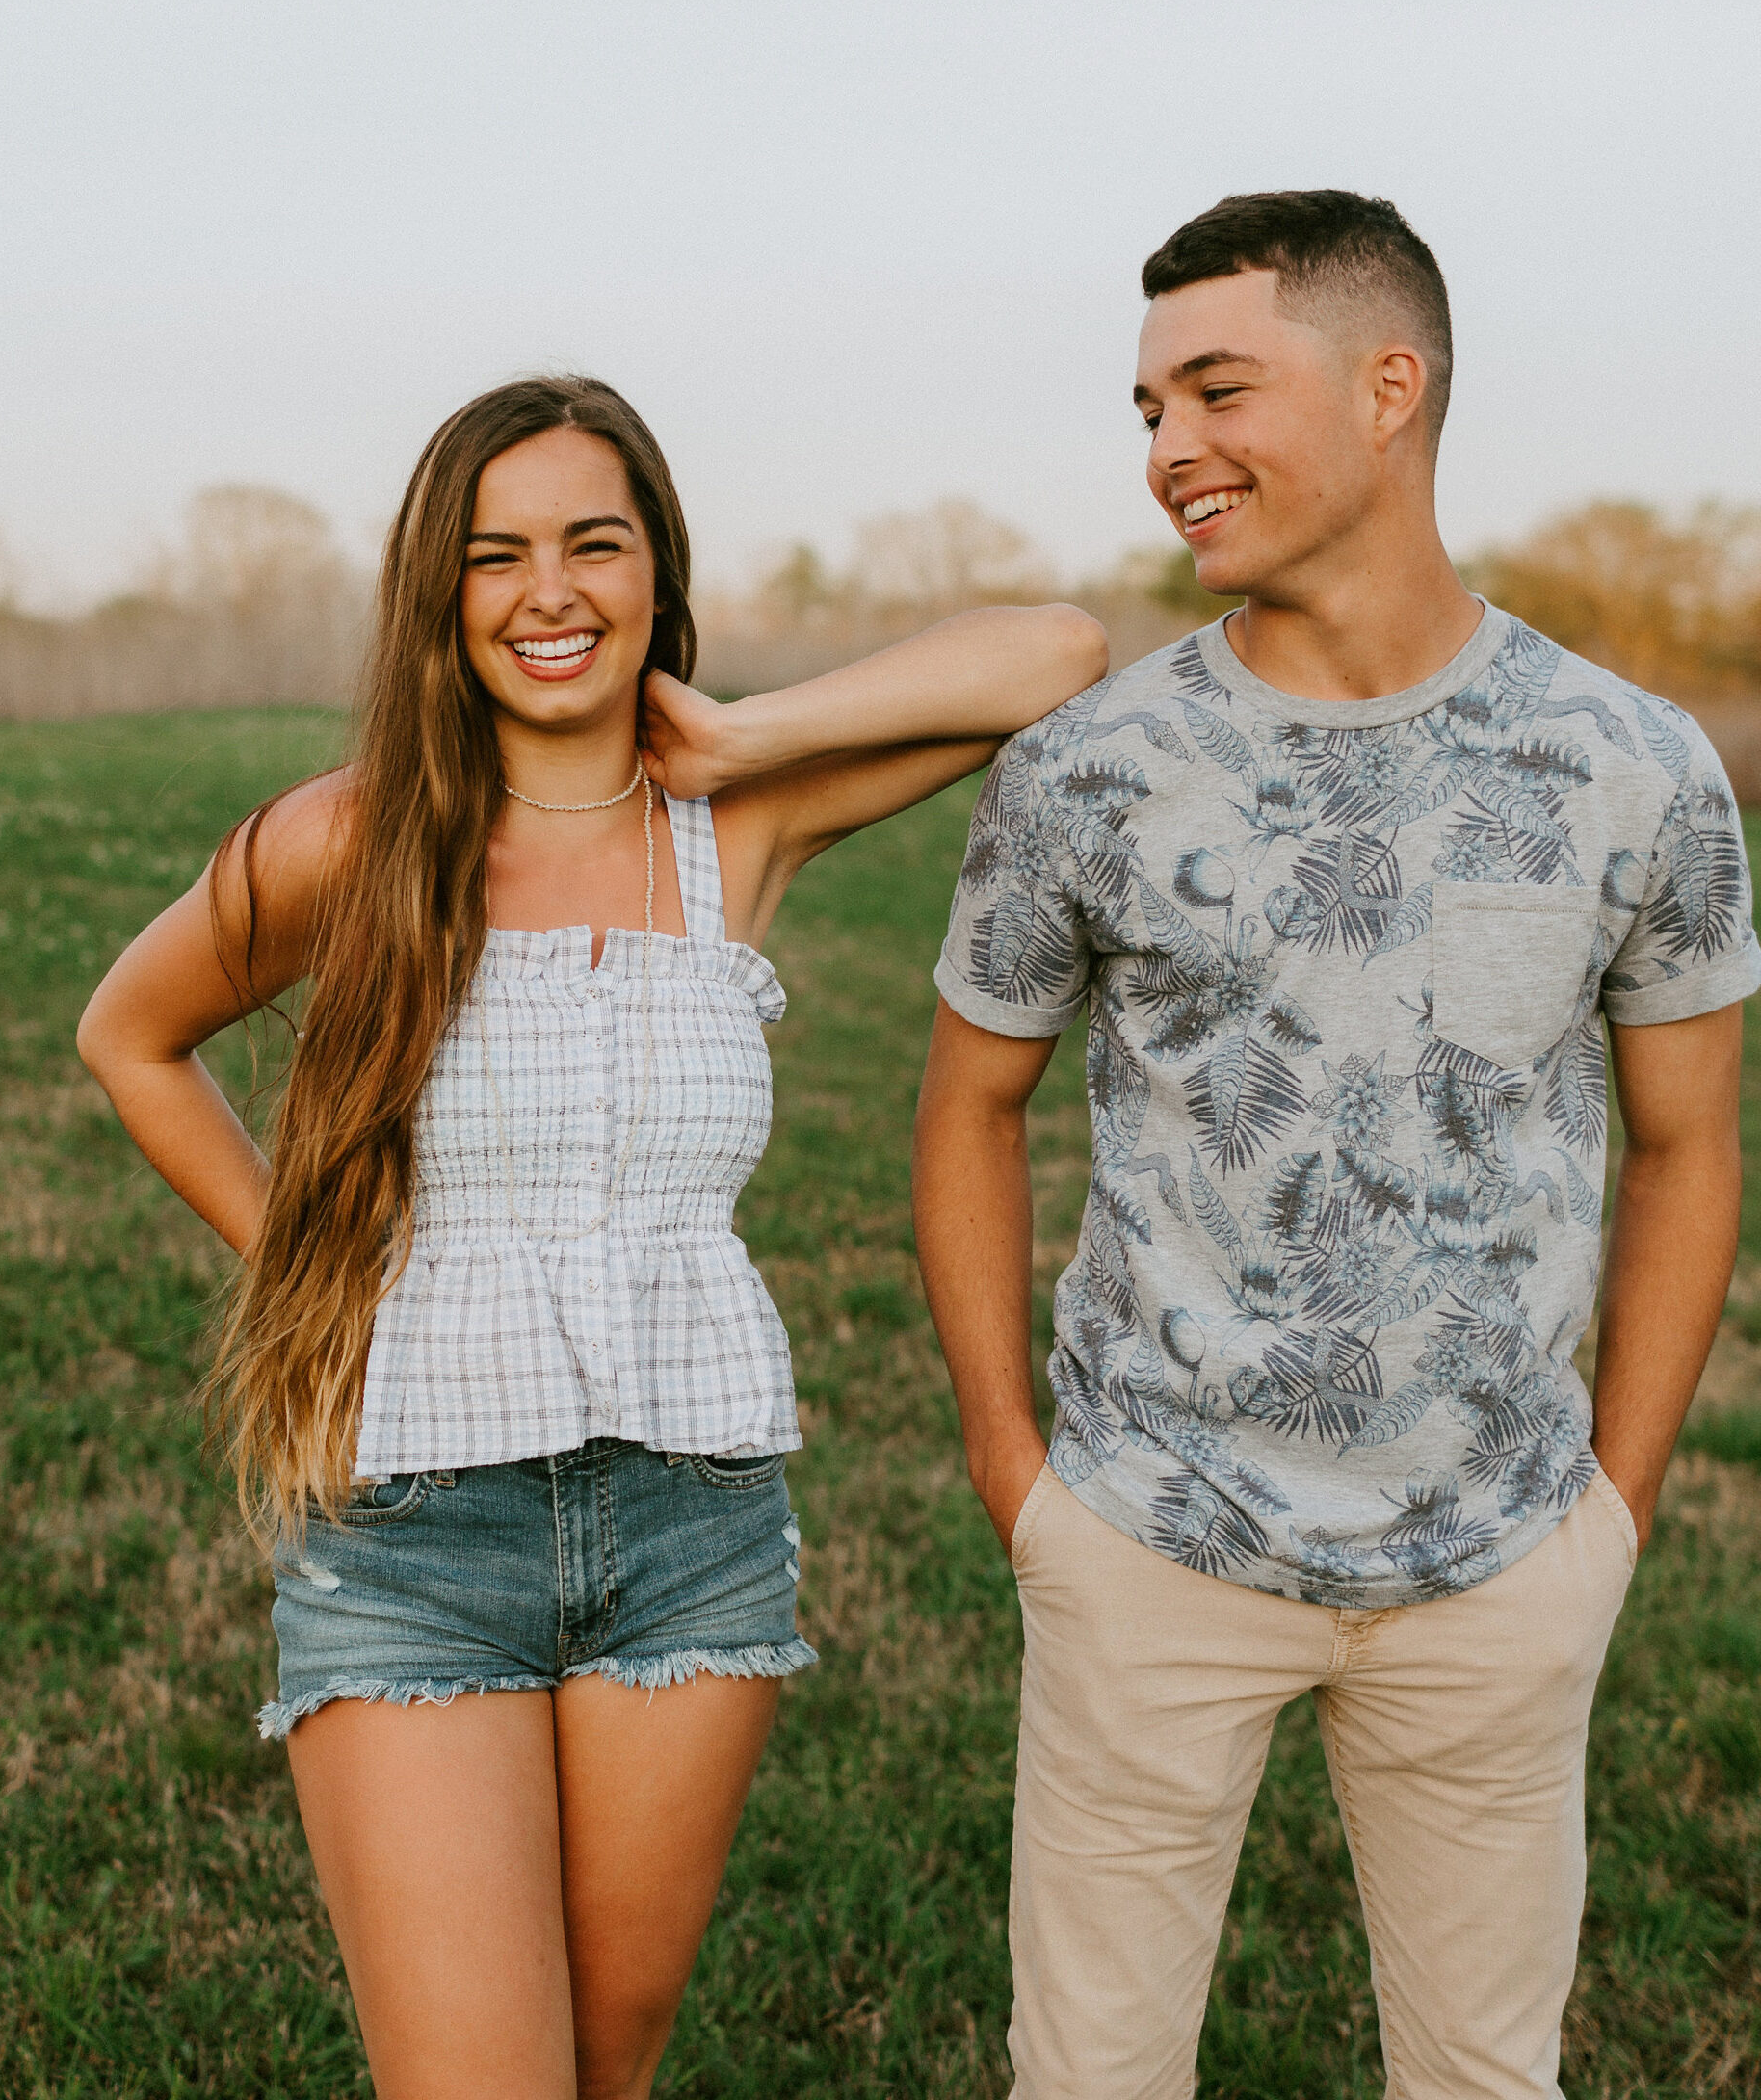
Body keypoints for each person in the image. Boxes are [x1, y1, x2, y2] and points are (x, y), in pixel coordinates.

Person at [77, 374, 1106, 2100]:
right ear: (438, 593)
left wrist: (750, 736)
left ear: (653, 569)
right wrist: (304, 1267)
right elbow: (132, 1035)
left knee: (604, 2072)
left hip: (690, 1529)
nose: (547, 593)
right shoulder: (349, 837)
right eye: (495, 556)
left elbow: (1056, 654)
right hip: (417, 1533)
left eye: (591, 545)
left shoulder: (733, 833)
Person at [913, 191, 1761, 2099]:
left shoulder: (1634, 763)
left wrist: (1605, 1513)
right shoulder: (1087, 767)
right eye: (1145, 408)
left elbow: (1686, 1152)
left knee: (1481, 2079)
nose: (1168, 452)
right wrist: (1015, 1478)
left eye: (1216, 388)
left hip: (1499, 1553)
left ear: (1393, 386)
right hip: (1147, 1542)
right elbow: (970, 1107)